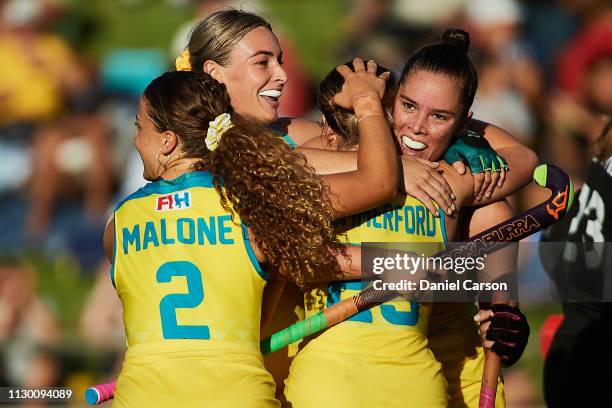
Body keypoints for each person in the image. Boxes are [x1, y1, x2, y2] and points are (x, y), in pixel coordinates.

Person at [104, 60, 399, 406]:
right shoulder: (254, 203)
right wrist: (367, 102)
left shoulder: (117, 225)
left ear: (167, 142)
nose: (136, 140)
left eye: (140, 128)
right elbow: (378, 182)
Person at [284, 29, 532, 408]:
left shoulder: (457, 180)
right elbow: (284, 161)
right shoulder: (335, 153)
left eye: (439, 116)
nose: (417, 127)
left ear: (463, 122)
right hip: (346, 375)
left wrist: (504, 311)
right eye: (408, 106)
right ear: (390, 101)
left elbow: (520, 168)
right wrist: (390, 169)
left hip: (434, 367)